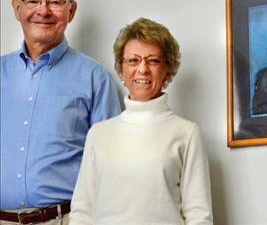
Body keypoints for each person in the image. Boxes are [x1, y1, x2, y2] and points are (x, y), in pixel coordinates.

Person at [0, 0, 121, 224]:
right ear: (16, 8)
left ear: (71, 11)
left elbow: (112, 168)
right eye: (32, 1)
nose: (43, 11)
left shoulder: (95, 79)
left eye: (55, 2)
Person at [69, 18, 213, 224]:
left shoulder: (186, 133)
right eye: (133, 60)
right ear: (121, 70)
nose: (143, 69)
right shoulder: (98, 133)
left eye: (153, 60)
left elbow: (199, 215)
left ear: (167, 70)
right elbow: (82, 211)